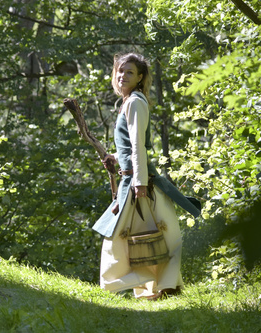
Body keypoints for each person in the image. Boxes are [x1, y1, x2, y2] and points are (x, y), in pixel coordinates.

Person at [92, 53, 201, 300]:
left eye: (129, 72)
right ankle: (161, 287)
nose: (122, 76)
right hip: (134, 179)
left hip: (140, 183)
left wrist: (139, 182)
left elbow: (139, 145)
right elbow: (129, 148)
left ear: (140, 77)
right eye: (120, 71)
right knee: (150, 235)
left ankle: (163, 285)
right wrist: (116, 158)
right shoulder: (128, 101)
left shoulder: (135, 102)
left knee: (131, 238)